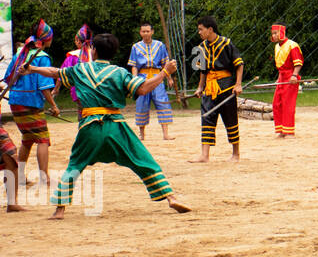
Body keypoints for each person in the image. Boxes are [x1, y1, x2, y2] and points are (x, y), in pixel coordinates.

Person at [22, 33, 191, 219]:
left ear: (93, 50)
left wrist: (32, 68)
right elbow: (142, 88)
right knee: (144, 160)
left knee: (75, 165)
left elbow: (55, 72)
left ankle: (59, 210)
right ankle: (171, 197)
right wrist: (164, 72)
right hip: (116, 126)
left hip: (90, 126)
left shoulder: (81, 69)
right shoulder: (119, 72)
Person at [4, 19, 61, 191]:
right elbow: (44, 87)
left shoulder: (21, 53)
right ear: (46, 39)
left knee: (28, 139)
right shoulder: (42, 58)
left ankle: (19, 176)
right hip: (30, 103)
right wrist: (54, 106)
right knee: (43, 139)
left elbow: (8, 78)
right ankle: (45, 178)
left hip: (15, 102)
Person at [191, 15, 244, 163]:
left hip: (226, 87)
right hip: (209, 88)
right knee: (207, 117)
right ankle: (204, 155)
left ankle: (236, 154)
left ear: (210, 29)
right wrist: (200, 87)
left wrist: (238, 84)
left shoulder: (226, 43)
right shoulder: (201, 47)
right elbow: (203, 70)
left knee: (230, 119)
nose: (199, 32)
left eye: (201, 29)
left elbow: (239, 64)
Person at [129, 22, 174, 141]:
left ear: (152, 32)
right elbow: (134, 65)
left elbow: (165, 63)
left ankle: (165, 133)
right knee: (141, 103)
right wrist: (134, 80)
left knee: (162, 102)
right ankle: (142, 134)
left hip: (157, 75)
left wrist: (168, 77)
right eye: (143, 31)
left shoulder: (160, 45)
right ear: (140, 32)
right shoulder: (136, 47)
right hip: (142, 77)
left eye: (147, 31)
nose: (145, 33)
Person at [270, 23, 304, 138]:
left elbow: (298, 62)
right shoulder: (276, 47)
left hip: (291, 77)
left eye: (275, 33)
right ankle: (281, 130)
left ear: (281, 32)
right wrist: (278, 78)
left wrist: (294, 75)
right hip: (282, 77)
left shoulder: (292, 45)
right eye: (272, 34)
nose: (273, 36)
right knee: (277, 103)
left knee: (287, 103)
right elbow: (281, 67)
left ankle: (289, 131)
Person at [55, 24, 93, 113]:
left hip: (79, 92)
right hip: (96, 91)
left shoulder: (73, 56)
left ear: (78, 41)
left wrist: (56, 89)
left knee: (83, 113)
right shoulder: (96, 53)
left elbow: (61, 74)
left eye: (76, 40)